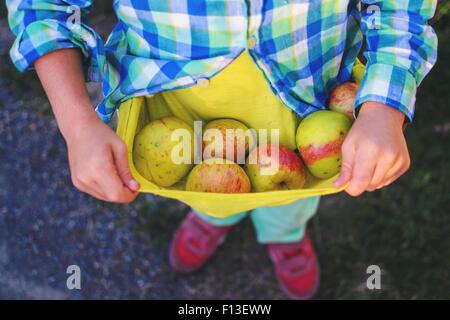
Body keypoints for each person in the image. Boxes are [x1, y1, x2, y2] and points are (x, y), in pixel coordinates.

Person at [6, 0, 437, 299]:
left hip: (307, 107)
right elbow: (44, 7)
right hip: (181, 108)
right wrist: (77, 122)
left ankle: (284, 233)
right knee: (208, 188)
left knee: (291, 200)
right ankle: (212, 214)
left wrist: (383, 107)